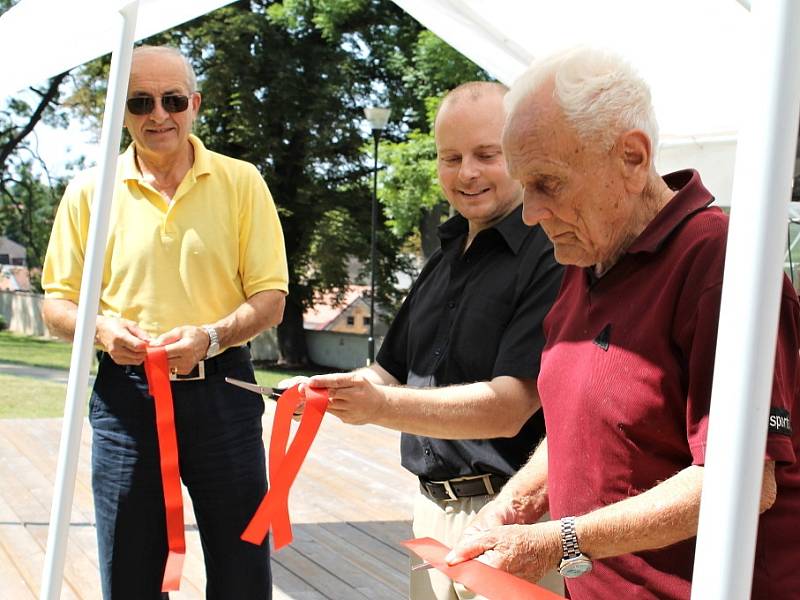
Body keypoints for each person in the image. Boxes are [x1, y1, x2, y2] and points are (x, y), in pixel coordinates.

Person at [446, 47, 800, 599]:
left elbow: (741, 483)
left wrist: (556, 542)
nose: (531, 213)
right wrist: (516, 501)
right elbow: (579, 426)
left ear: (633, 158)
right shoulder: (586, 256)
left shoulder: (719, 262)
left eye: (548, 184)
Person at [292, 81, 564, 600]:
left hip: (513, 516)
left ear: (521, 152)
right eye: (451, 157)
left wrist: (378, 405)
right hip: (429, 510)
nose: (467, 172)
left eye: (487, 154)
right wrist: (329, 389)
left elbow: (510, 408)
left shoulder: (549, 252)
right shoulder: (443, 257)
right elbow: (388, 369)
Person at [41, 45, 288, 600]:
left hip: (223, 392)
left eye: (173, 100)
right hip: (126, 402)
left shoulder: (242, 181)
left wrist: (213, 336)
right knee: (129, 572)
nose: (159, 115)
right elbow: (57, 304)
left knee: (243, 570)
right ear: (120, 112)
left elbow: (270, 298)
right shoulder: (88, 190)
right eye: (140, 101)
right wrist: (101, 329)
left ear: (194, 104)